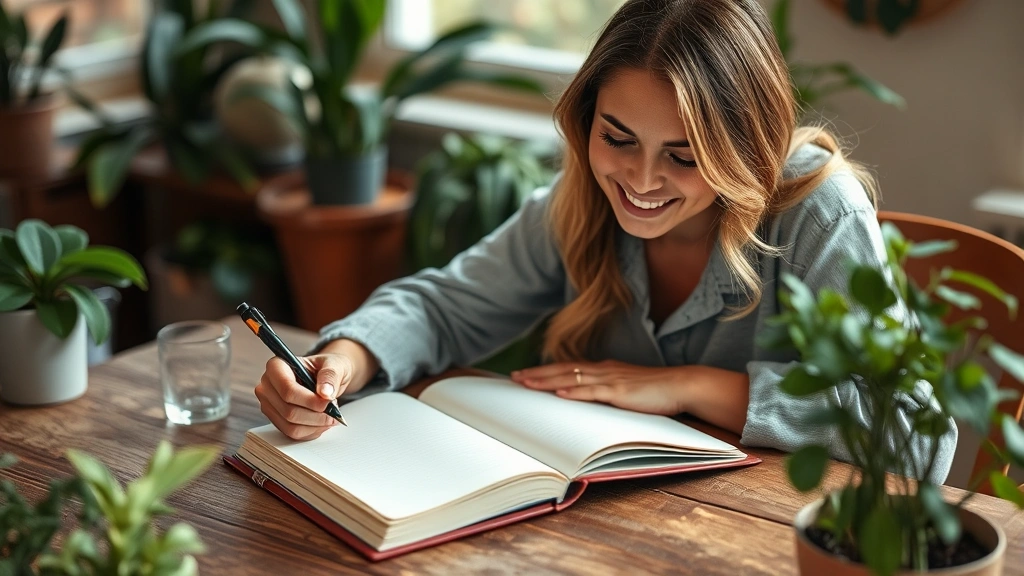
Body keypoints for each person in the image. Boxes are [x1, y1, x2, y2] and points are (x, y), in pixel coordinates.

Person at [255, 0, 956, 483]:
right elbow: (443, 307)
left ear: (746, 147)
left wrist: (693, 386)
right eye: (616, 138)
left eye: (684, 155)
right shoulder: (580, 201)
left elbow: (917, 436)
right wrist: (340, 361)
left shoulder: (817, 213)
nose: (640, 180)